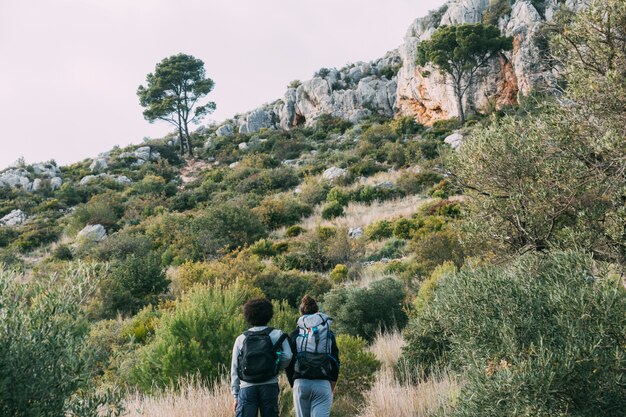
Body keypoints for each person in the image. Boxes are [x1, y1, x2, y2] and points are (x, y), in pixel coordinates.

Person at [231, 298, 292, 417]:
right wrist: (276, 367)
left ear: (248, 316)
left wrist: (235, 395)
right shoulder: (277, 334)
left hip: (246, 387)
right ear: (269, 314)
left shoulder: (241, 338)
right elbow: (288, 356)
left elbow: (234, 368)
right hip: (269, 385)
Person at [287, 295, 340, 417]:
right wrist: (332, 385)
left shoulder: (296, 333)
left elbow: (288, 361)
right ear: (317, 311)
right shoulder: (328, 334)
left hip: (301, 383)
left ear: (301, 313)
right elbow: (335, 361)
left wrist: (293, 382)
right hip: (323, 383)